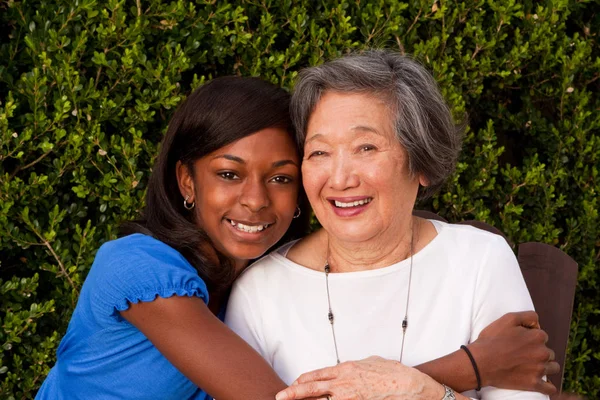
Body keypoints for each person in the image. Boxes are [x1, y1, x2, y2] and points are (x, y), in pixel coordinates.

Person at [36, 75, 556, 400]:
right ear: (186, 181)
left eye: (281, 176)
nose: (257, 200)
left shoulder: (240, 281)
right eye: (228, 173)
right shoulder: (137, 270)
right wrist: (469, 368)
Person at [225, 50, 555, 400]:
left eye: (366, 147)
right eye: (319, 152)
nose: (339, 179)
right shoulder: (260, 293)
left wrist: (424, 392)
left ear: (422, 161)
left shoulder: (478, 261)